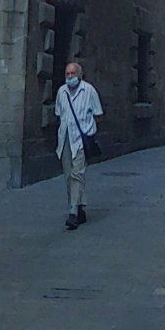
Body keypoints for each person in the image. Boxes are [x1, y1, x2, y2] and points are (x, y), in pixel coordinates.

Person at [54, 60, 103, 231]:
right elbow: (59, 113)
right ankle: (80, 206)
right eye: (67, 74)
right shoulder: (61, 92)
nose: (70, 77)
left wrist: (89, 131)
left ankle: (73, 212)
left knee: (77, 174)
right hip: (65, 138)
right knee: (69, 175)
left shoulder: (89, 91)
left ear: (79, 75)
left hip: (81, 139)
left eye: (72, 73)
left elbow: (98, 113)